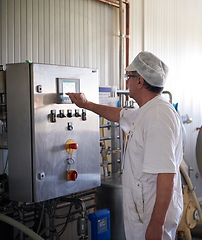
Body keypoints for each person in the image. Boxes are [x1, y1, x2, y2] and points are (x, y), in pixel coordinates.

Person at [67, 51, 183, 240]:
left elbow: (166, 173)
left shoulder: (157, 116)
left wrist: (156, 224)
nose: (126, 81)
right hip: (144, 209)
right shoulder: (147, 111)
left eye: (129, 76)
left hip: (151, 214)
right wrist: (86, 104)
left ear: (140, 81)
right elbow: (120, 114)